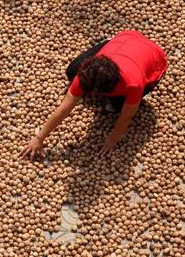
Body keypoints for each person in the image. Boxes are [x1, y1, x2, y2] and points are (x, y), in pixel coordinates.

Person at [20, 30, 167, 160]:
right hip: (126, 38)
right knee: (71, 71)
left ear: (108, 90)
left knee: (116, 107)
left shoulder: (133, 83)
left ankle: (112, 91)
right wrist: (39, 138)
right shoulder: (87, 73)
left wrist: (113, 139)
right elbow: (64, 108)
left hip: (154, 57)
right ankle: (109, 42)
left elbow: (126, 116)